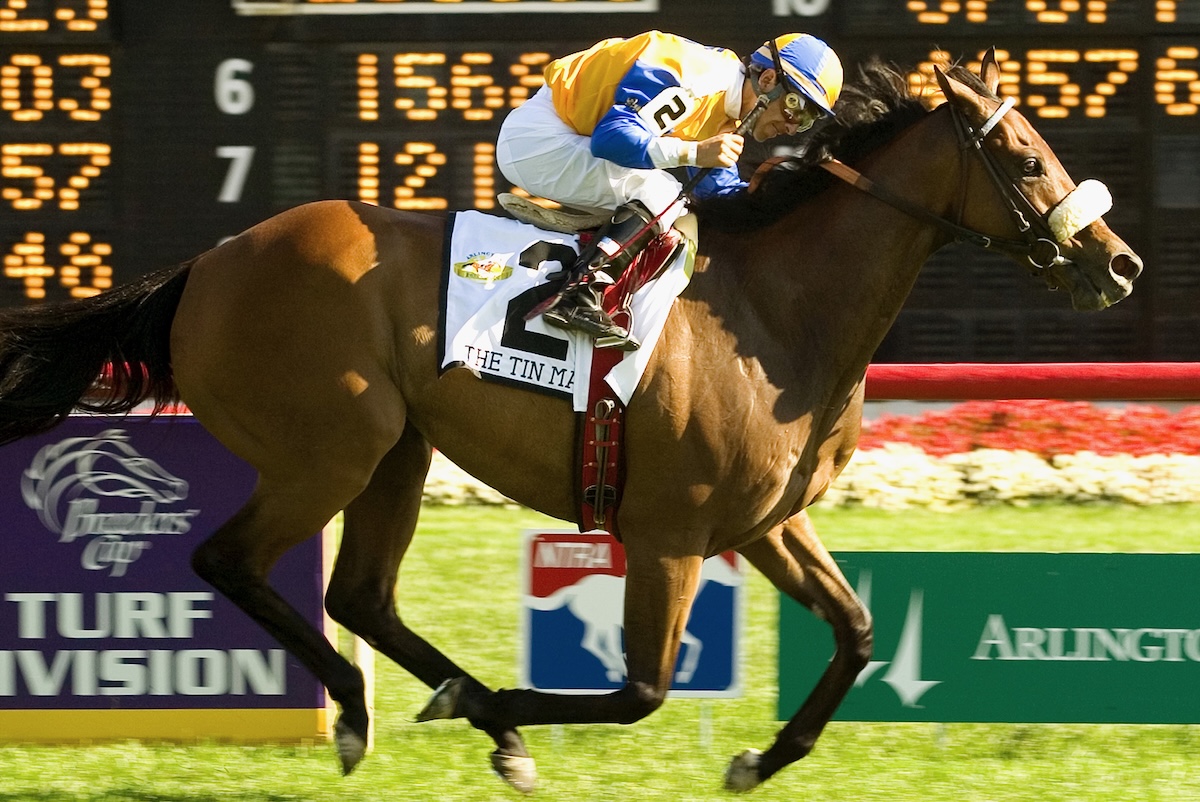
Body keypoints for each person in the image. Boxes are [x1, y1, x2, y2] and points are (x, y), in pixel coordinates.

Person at [496, 30, 843, 350]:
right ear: (768, 80)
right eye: (796, 107)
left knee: (674, 199)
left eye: (810, 118)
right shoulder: (699, 80)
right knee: (664, 193)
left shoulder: (724, 109)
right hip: (539, 140)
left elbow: (719, 193)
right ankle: (578, 294)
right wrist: (694, 152)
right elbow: (611, 138)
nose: (794, 125)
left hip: (567, 136)